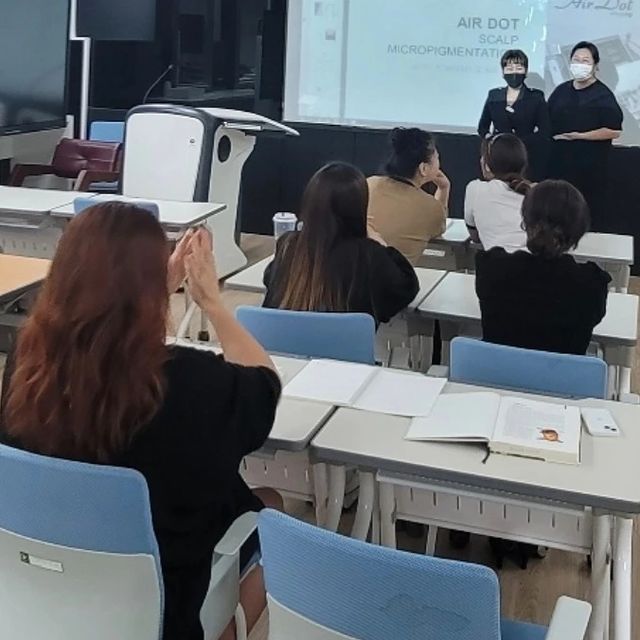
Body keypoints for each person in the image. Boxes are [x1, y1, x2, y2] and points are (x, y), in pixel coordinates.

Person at [0, 203, 282, 640]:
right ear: (151, 292)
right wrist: (213, 303)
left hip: (45, 595)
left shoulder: (26, 363)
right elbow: (264, 384)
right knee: (271, 508)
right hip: (160, 615)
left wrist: (151, 289)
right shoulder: (192, 382)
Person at [264, 162, 419, 325]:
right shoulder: (370, 255)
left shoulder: (289, 245)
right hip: (345, 342)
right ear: (359, 207)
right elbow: (406, 289)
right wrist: (380, 243)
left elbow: (271, 282)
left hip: (278, 340)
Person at [476, 180, 610, 355]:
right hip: (562, 374)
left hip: (495, 371)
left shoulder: (491, 268)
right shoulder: (592, 286)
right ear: (580, 229)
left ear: (525, 221)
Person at [548, 41, 623, 231]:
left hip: (590, 170)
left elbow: (614, 130)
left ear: (595, 66)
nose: (580, 64)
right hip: (560, 165)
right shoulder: (561, 90)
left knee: (584, 216)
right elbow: (548, 118)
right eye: (576, 60)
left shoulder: (602, 95)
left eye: (586, 61)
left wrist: (580, 136)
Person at [366, 127, 449, 265]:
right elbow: (437, 229)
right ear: (423, 168)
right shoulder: (431, 208)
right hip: (395, 277)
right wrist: (444, 189)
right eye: (437, 158)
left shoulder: (369, 184)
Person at [478, 49, 550, 179]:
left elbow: (545, 130)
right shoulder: (494, 95)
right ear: (503, 72)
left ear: (525, 72)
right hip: (498, 157)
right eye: (509, 69)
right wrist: (493, 141)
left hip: (526, 156)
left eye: (519, 68)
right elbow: (482, 127)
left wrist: (519, 143)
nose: (514, 72)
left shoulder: (536, 96)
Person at [464, 133, 531, 252]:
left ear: (487, 166)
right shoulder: (536, 193)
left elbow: (475, 237)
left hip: (497, 262)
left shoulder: (475, 189)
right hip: (536, 261)